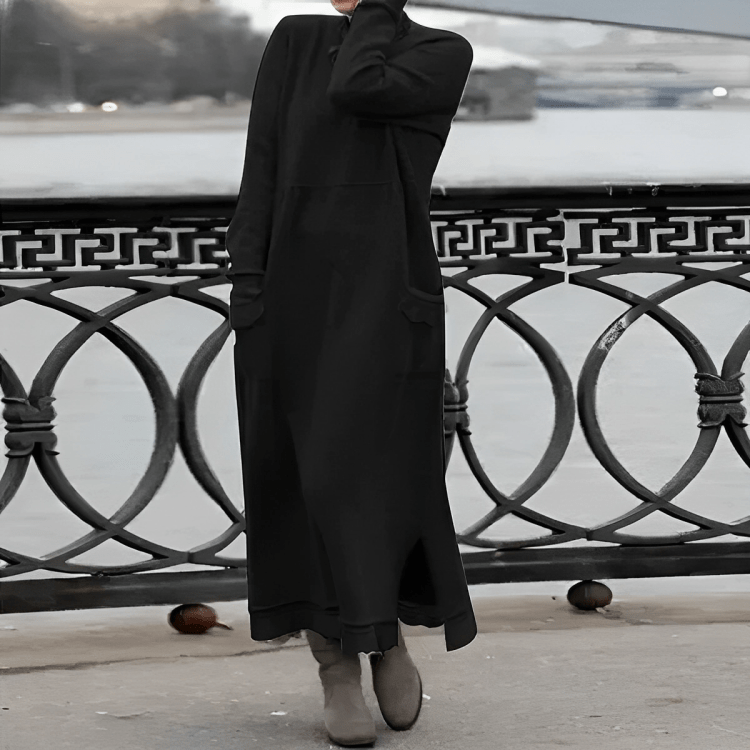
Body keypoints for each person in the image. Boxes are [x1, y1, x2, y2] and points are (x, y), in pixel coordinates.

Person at [226, 0, 476, 744]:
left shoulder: (441, 52)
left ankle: (384, 637)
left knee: (372, 480)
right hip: (287, 297)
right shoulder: (296, 39)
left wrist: (373, 12)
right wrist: (247, 284)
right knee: (300, 481)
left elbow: (358, 87)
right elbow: (262, 163)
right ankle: (334, 663)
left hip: (387, 295)